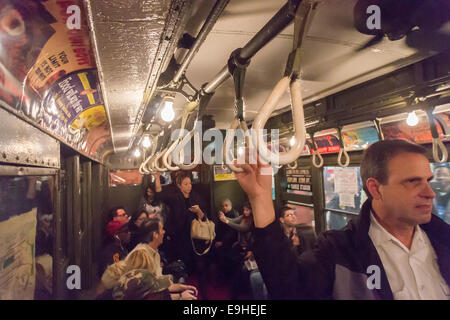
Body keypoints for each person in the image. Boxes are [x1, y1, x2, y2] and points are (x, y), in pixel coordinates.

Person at [234, 139, 450, 299]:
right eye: (413, 181)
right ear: (376, 188)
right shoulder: (338, 251)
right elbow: (290, 289)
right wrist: (260, 198)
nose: (430, 193)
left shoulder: (444, 240)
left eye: (428, 180)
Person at [100, 217, 197, 300]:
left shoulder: (154, 253)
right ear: (155, 234)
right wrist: (179, 297)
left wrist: (179, 287)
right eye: (162, 229)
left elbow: (155, 285)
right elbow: (141, 292)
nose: (164, 232)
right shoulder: (141, 254)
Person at [214, 199, 240, 283]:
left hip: (231, 242)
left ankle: (224, 279)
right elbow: (219, 229)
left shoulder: (234, 214)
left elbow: (232, 232)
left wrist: (222, 242)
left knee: (222, 254)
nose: (224, 207)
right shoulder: (222, 215)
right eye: (223, 206)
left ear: (230, 206)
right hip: (223, 241)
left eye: (226, 205)